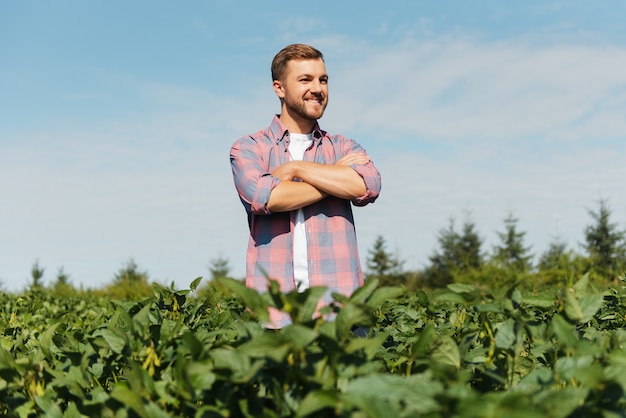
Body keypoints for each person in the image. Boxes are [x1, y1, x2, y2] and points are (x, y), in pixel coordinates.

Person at [230, 43, 382, 327]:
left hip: (341, 317)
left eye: (323, 80)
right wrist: (336, 177)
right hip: (275, 320)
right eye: (305, 80)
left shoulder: (343, 146)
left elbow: (366, 185)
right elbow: (268, 197)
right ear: (279, 88)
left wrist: (297, 168)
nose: (317, 88)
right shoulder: (250, 148)